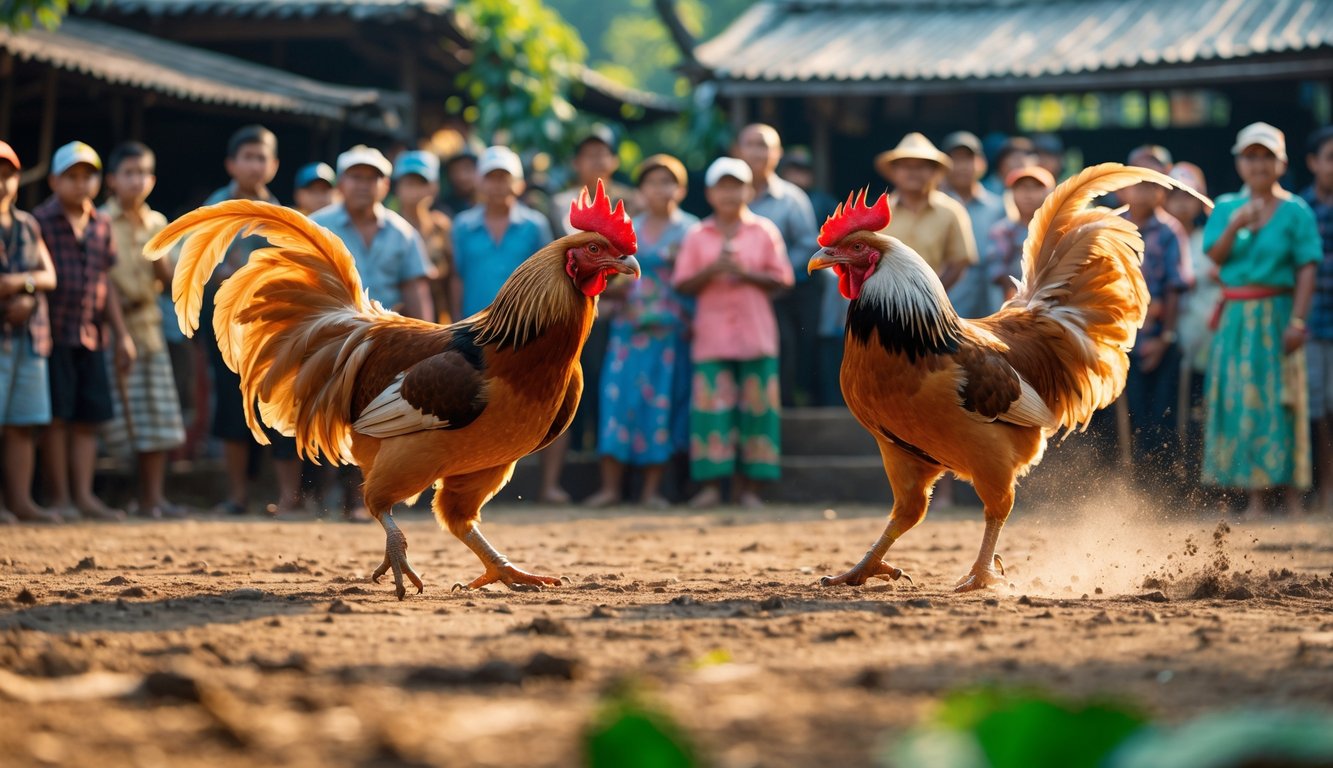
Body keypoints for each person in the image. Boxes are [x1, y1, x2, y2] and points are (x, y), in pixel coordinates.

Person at [311, 145, 436, 521]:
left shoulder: (402, 232)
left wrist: (430, 341)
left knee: (373, 418)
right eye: (356, 177)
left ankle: (359, 499)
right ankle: (315, 495)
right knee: (324, 410)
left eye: (372, 178)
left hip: (387, 346)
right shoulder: (317, 226)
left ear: (384, 185)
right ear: (341, 182)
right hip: (328, 337)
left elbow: (417, 289)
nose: (363, 185)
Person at [1203, 122, 1322, 517]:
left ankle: (1290, 497)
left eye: (1266, 156)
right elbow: (1215, 258)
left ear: (1282, 163)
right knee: (1239, 401)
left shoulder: (1295, 211)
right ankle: (1253, 497)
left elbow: (1307, 267)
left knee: (1284, 400)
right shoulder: (1224, 208)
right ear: (1239, 163)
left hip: (1278, 315)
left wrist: (1299, 322)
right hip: (1236, 318)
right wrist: (1236, 225)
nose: (1258, 164)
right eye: (1251, 157)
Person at [673, 157, 794, 508]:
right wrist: (712, 270)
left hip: (756, 335)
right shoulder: (697, 235)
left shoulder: (764, 230)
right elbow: (682, 283)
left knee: (758, 413)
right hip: (711, 337)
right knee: (711, 413)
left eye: (736, 185)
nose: (729, 193)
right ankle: (712, 488)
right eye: (723, 186)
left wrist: (745, 273)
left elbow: (783, 279)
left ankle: (749, 491)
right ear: (710, 193)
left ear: (748, 190)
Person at [584, 155, 698, 508]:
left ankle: (652, 492)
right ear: (641, 189)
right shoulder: (626, 227)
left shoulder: (692, 230)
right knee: (617, 403)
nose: (659, 188)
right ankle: (610, 489)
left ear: (680, 189)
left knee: (662, 407)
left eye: (667, 181)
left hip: (671, 332)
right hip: (626, 328)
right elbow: (607, 274)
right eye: (652, 181)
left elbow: (696, 283)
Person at [200, 124, 302, 517]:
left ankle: (290, 497)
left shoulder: (283, 217)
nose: (255, 165)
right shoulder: (213, 210)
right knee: (229, 406)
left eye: (262, 158)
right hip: (226, 326)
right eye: (248, 157)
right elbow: (194, 268)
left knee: (280, 404)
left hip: (273, 328)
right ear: (231, 163)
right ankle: (237, 495)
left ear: (274, 165)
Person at [34, 141, 135, 521]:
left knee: (87, 419)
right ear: (54, 180)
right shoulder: (40, 221)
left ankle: (84, 497)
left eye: (87, 176)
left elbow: (105, 282)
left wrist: (121, 333)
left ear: (97, 181)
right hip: (53, 335)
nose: (80, 184)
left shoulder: (101, 223)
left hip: (92, 334)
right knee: (57, 418)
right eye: (71, 177)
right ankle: (60, 498)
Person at [878, 132, 978, 509]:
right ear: (896, 171)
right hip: (888, 319)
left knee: (940, 400)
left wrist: (929, 296)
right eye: (907, 166)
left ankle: (946, 489)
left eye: (922, 167)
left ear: (935, 172)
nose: (914, 173)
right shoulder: (882, 210)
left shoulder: (951, 211)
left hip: (938, 319)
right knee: (895, 402)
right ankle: (906, 488)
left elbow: (960, 261)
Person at [99, 141, 187, 519]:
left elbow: (168, 281)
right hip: (113, 327)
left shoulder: (157, 222)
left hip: (150, 326)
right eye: (128, 173)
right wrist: (120, 335)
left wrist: (166, 264)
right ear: (112, 181)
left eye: (143, 174)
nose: (136, 181)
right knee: (122, 421)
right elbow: (103, 283)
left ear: (152, 180)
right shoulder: (101, 220)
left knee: (157, 416)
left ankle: (154, 499)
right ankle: (130, 499)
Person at [1118, 145, 1192, 485]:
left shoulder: (1170, 231)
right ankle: (1127, 488)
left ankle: (1163, 489)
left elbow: (1176, 288)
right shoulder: (1112, 227)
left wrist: (1164, 339)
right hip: (1119, 344)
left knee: (1162, 416)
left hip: (1161, 339)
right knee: (1124, 417)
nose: (1145, 188)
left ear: (1164, 189)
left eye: (1154, 181)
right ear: (1123, 184)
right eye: (1138, 180)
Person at [736, 123, 820, 408]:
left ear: (778, 154)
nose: (757, 152)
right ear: (738, 150)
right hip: (735, 292)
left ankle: (783, 408)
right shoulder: (728, 193)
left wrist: (771, 273)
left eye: (764, 145)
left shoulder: (792, 198)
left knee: (785, 348)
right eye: (751, 144)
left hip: (783, 294)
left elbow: (808, 246)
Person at [0, 141, 60, 524]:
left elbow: (48, 276)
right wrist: (28, 285)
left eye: (8, 176)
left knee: (23, 423)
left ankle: (20, 501)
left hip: (29, 339)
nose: (2, 183)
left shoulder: (26, 224)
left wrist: (19, 287)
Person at [1165, 162, 1215, 496]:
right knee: (1177, 413)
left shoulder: (1212, 238)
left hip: (1213, 338)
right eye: (1175, 195)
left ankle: (1212, 486)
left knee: (1210, 411)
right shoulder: (1161, 238)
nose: (1183, 203)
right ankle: (1183, 485)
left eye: (1189, 195)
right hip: (1176, 342)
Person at [940, 130, 1006, 318]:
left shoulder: (998, 207)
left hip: (992, 296)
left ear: (981, 163)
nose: (961, 167)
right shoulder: (938, 207)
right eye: (955, 160)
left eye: (968, 159)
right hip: (951, 294)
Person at [1302, 126, 1333, 513]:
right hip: (1310, 321)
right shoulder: (1300, 208)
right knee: (1317, 408)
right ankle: (1325, 487)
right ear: (1312, 163)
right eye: (1329, 157)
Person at [393, 150, 454, 323]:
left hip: (437, 322)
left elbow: (452, 278)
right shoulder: (389, 228)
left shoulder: (441, 226)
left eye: (421, 183)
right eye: (409, 183)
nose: (414, 190)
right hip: (397, 322)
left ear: (434, 187)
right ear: (397, 187)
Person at [987, 165, 1055, 302]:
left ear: (1049, 193)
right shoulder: (1001, 231)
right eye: (1022, 188)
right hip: (1010, 304)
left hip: (1052, 303)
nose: (1028, 194)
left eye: (1035, 188)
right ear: (1012, 194)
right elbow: (995, 270)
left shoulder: (1057, 231)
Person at [437, 146, 480, 218]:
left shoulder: (491, 201)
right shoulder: (444, 208)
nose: (462, 176)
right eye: (455, 171)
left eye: (467, 169)